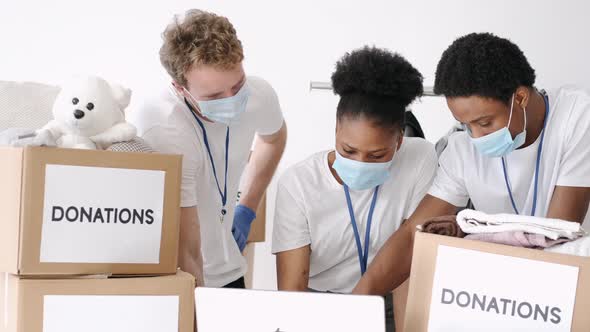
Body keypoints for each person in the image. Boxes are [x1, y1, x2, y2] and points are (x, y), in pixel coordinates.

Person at [353, 32, 590, 296]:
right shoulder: (461, 147)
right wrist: (355, 304)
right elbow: (413, 236)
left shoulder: (577, 117)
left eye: (485, 123)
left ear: (520, 98)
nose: (475, 137)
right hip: (504, 285)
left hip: (570, 282)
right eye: (465, 125)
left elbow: (557, 233)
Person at [272, 46, 437, 331]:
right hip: (318, 306)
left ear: (399, 140)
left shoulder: (419, 158)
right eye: (348, 150)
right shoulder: (298, 183)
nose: (360, 163)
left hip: (385, 299)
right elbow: (292, 292)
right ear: (336, 129)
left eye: (376, 155)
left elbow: (411, 257)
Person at [129, 9, 287, 288]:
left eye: (237, 85)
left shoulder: (257, 94)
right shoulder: (166, 128)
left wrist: (248, 207)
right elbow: (187, 251)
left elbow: (274, 137)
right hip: (179, 274)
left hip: (230, 268)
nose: (232, 99)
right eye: (214, 96)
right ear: (180, 89)